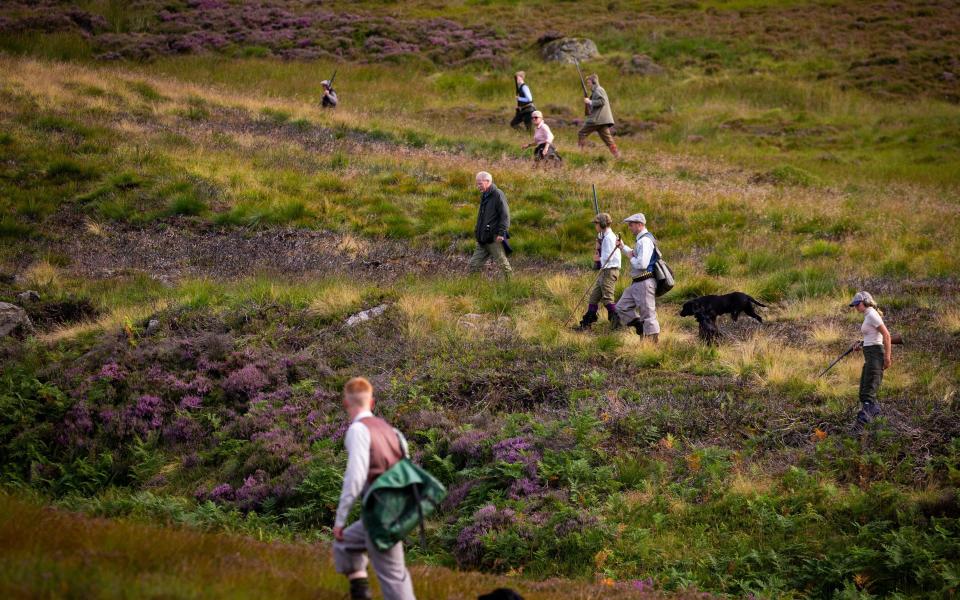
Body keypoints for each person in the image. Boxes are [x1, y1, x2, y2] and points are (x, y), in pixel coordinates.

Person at [332, 377, 416, 600]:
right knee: (344, 545)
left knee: (393, 577)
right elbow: (407, 469)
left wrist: (340, 520)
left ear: (345, 403)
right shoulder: (391, 430)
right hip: (395, 508)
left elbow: (355, 479)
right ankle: (361, 594)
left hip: (382, 514)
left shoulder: (358, 430)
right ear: (372, 402)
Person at [849, 291, 893, 430]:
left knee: (868, 394)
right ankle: (879, 424)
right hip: (870, 355)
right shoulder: (867, 315)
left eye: (858, 304)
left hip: (875, 357)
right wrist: (860, 344)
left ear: (866, 302)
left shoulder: (872, 314)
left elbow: (886, 335)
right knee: (864, 393)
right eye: (855, 305)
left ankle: (858, 429)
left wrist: (887, 357)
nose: (856, 307)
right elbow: (872, 338)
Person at [614, 213, 660, 341]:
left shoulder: (645, 241)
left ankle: (651, 346)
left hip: (644, 282)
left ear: (640, 225)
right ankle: (641, 328)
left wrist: (631, 257)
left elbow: (642, 264)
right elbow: (635, 255)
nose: (629, 227)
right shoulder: (641, 240)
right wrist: (623, 247)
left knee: (648, 315)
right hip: (637, 282)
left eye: (631, 225)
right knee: (621, 307)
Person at [575, 212, 620, 330]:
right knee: (593, 298)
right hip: (605, 271)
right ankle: (586, 324)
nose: (595, 226)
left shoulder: (609, 238)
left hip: (609, 271)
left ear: (602, 224)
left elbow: (608, 257)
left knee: (608, 299)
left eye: (596, 223)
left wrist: (597, 258)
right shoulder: (605, 237)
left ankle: (618, 324)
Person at [469, 171, 512, 277]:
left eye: (480, 183)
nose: (478, 186)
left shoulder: (498, 194)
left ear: (488, 181)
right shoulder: (485, 195)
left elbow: (505, 215)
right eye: (477, 183)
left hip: (494, 238)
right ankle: (471, 289)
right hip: (482, 238)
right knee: (473, 266)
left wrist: (501, 233)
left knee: (504, 266)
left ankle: (511, 286)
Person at [577, 74, 619, 158]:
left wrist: (590, 102)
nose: (588, 85)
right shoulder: (597, 90)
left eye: (589, 83)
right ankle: (617, 156)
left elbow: (602, 101)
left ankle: (580, 153)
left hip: (596, 120)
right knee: (608, 140)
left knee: (581, 133)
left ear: (594, 82)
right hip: (602, 120)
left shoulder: (598, 90)